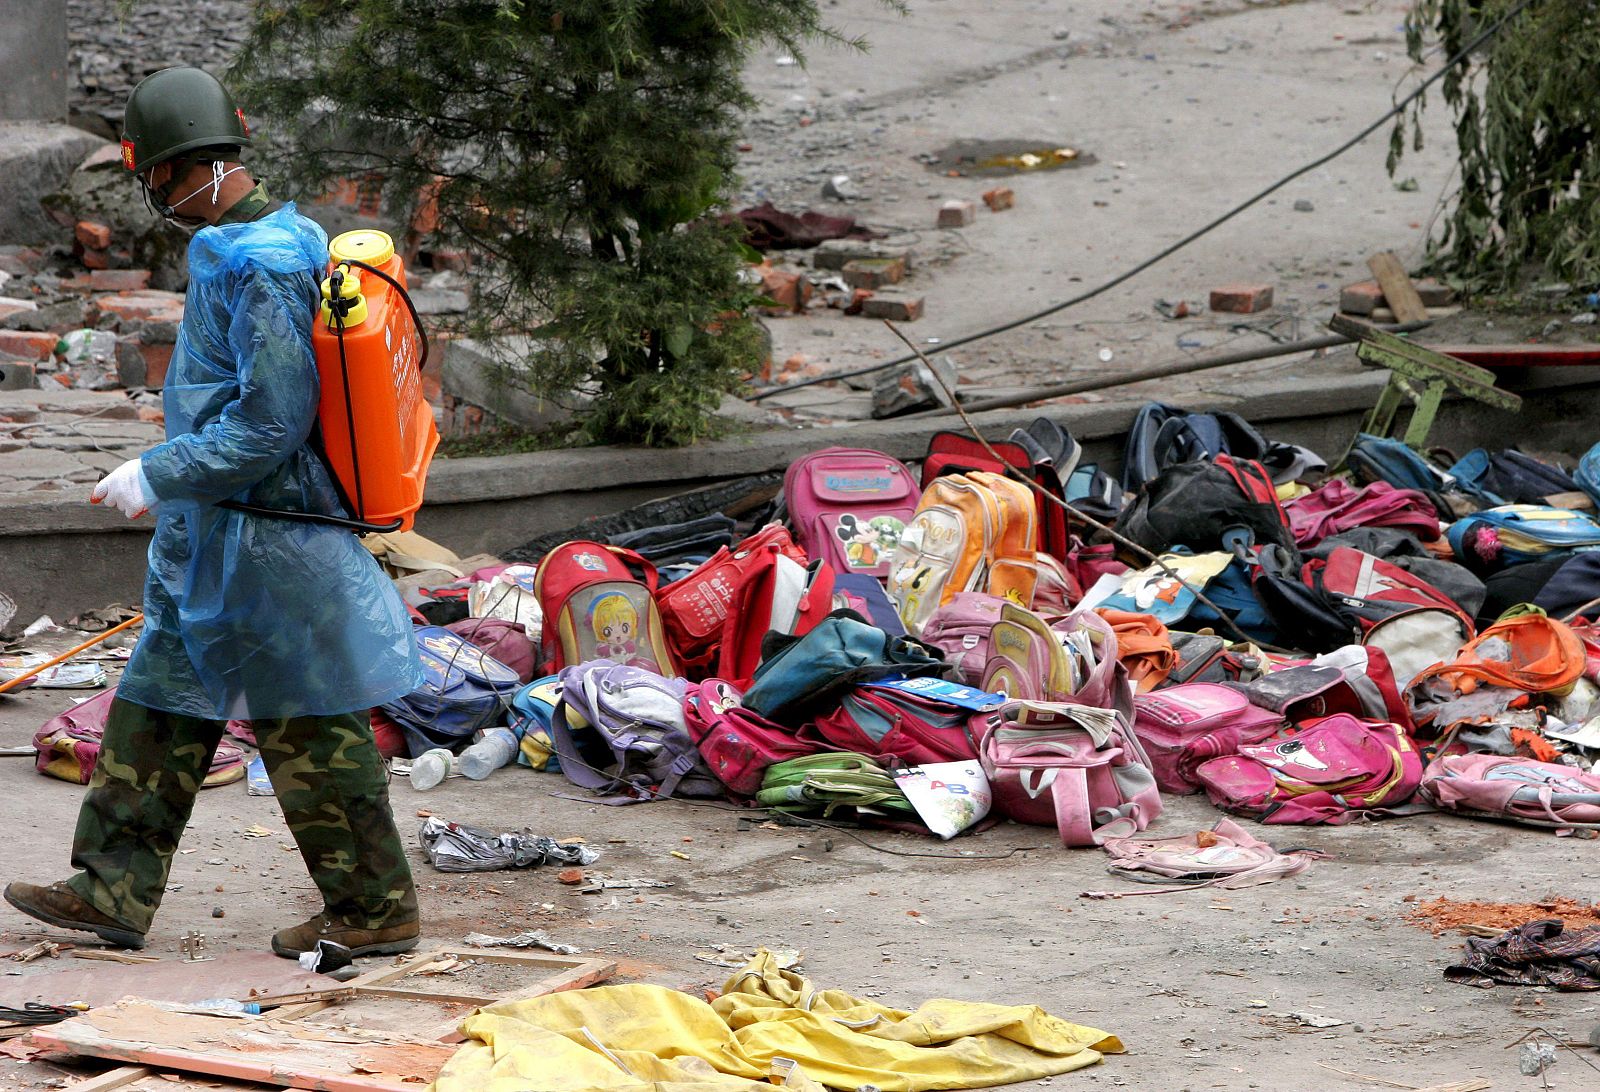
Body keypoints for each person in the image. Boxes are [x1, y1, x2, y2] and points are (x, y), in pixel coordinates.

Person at [3, 67, 425, 959]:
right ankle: (109, 890)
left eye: (152, 176)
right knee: (160, 697)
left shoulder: (260, 264)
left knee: (309, 722)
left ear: (174, 167)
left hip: (271, 536)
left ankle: (374, 908)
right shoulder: (261, 241)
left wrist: (158, 472)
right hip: (224, 530)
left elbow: (273, 421)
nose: (154, 195)